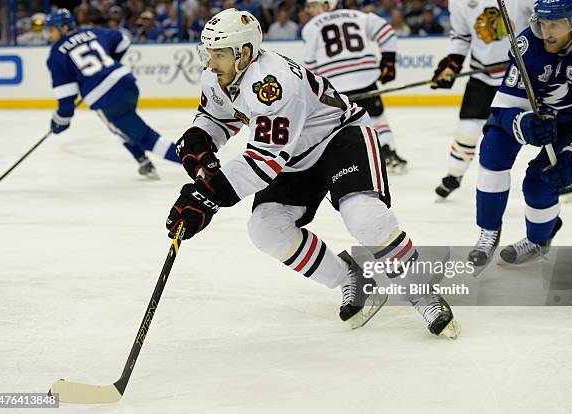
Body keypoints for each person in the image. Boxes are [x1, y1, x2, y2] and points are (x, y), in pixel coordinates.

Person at [164, 8, 460, 338]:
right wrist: (199, 141)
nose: (211, 62)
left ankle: (423, 293)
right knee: (265, 229)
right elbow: (217, 117)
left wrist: (209, 195)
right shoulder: (219, 75)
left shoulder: (270, 83)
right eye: (209, 53)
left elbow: (264, 160)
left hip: (339, 138)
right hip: (295, 156)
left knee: (364, 218)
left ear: (244, 53)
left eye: (218, 54)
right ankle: (351, 278)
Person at [468, 0, 572, 267]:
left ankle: (539, 240)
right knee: (493, 151)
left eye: (555, 24)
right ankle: (489, 231)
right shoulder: (528, 46)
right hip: (531, 110)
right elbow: (505, 107)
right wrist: (524, 123)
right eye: (542, 23)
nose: (547, 32)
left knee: (542, 181)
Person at [44, 9, 180, 179]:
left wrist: (60, 121)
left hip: (107, 100)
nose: (48, 35)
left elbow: (66, 99)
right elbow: (123, 40)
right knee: (119, 128)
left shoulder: (56, 54)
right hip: (127, 84)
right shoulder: (91, 32)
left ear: (64, 28)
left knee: (146, 137)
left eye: (51, 30)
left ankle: (195, 163)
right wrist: (109, 65)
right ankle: (143, 161)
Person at [431, 0, 536, 198]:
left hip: (520, 73)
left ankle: (555, 170)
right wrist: (452, 64)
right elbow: (461, 36)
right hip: (481, 74)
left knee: (538, 126)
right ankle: (454, 174)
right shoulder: (459, 2)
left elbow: (541, 26)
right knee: (468, 127)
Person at [301, 0, 407, 173]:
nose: (311, 10)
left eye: (314, 5)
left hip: (335, 84)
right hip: (365, 78)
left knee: (342, 126)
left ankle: (349, 161)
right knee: (378, 117)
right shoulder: (359, 16)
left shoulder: (311, 26)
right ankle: (388, 150)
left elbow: (309, 63)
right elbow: (386, 32)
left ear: (327, 5)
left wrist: (313, 91)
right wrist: (388, 60)